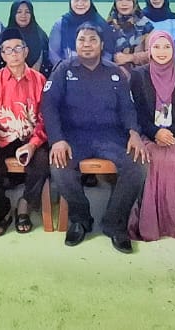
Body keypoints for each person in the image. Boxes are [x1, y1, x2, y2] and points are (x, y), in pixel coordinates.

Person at [43, 23, 149, 254]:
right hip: (74, 136)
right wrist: (57, 140)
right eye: (82, 40)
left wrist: (134, 132)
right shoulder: (63, 69)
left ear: (101, 45)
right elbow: (49, 106)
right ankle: (80, 219)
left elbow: (127, 108)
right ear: (75, 44)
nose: (87, 44)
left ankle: (114, 223)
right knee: (59, 166)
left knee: (138, 164)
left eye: (92, 40)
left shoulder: (115, 72)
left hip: (110, 136)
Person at [128, 30, 175, 241]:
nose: (161, 51)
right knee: (150, 159)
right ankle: (149, 222)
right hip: (148, 134)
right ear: (149, 49)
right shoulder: (139, 75)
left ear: (174, 49)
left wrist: (173, 133)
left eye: (166, 47)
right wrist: (155, 132)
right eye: (156, 47)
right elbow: (136, 112)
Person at [0, 28, 49, 236]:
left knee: (43, 161)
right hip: (2, 139)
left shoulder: (40, 80)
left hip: (31, 138)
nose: (14, 53)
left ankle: (25, 204)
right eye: (8, 50)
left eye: (18, 48)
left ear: (26, 51)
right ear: (2, 55)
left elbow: (45, 119)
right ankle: (2, 209)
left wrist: (33, 143)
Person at [48, 0, 110, 66]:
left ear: (90, 1)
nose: (80, 3)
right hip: (67, 72)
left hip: (97, 72)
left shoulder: (100, 24)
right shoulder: (61, 24)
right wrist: (66, 70)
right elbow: (54, 54)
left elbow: (108, 52)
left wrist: (96, 69)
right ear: (70, 1)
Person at [0, 0, 50, 75]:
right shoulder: (5, 35)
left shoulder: (41, 36)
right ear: (13, 14)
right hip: (9, 81)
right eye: (19, 12)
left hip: (37, 81)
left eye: (27, 12)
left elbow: (47, 62)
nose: (23, 15)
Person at [106, 0, 154, 69]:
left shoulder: (146, 25)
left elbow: (152, 54)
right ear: (115, 2)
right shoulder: (108, 25)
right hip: (112, 74)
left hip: (139, 75)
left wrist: (131, 57)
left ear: (134, 2)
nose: (124, 3)